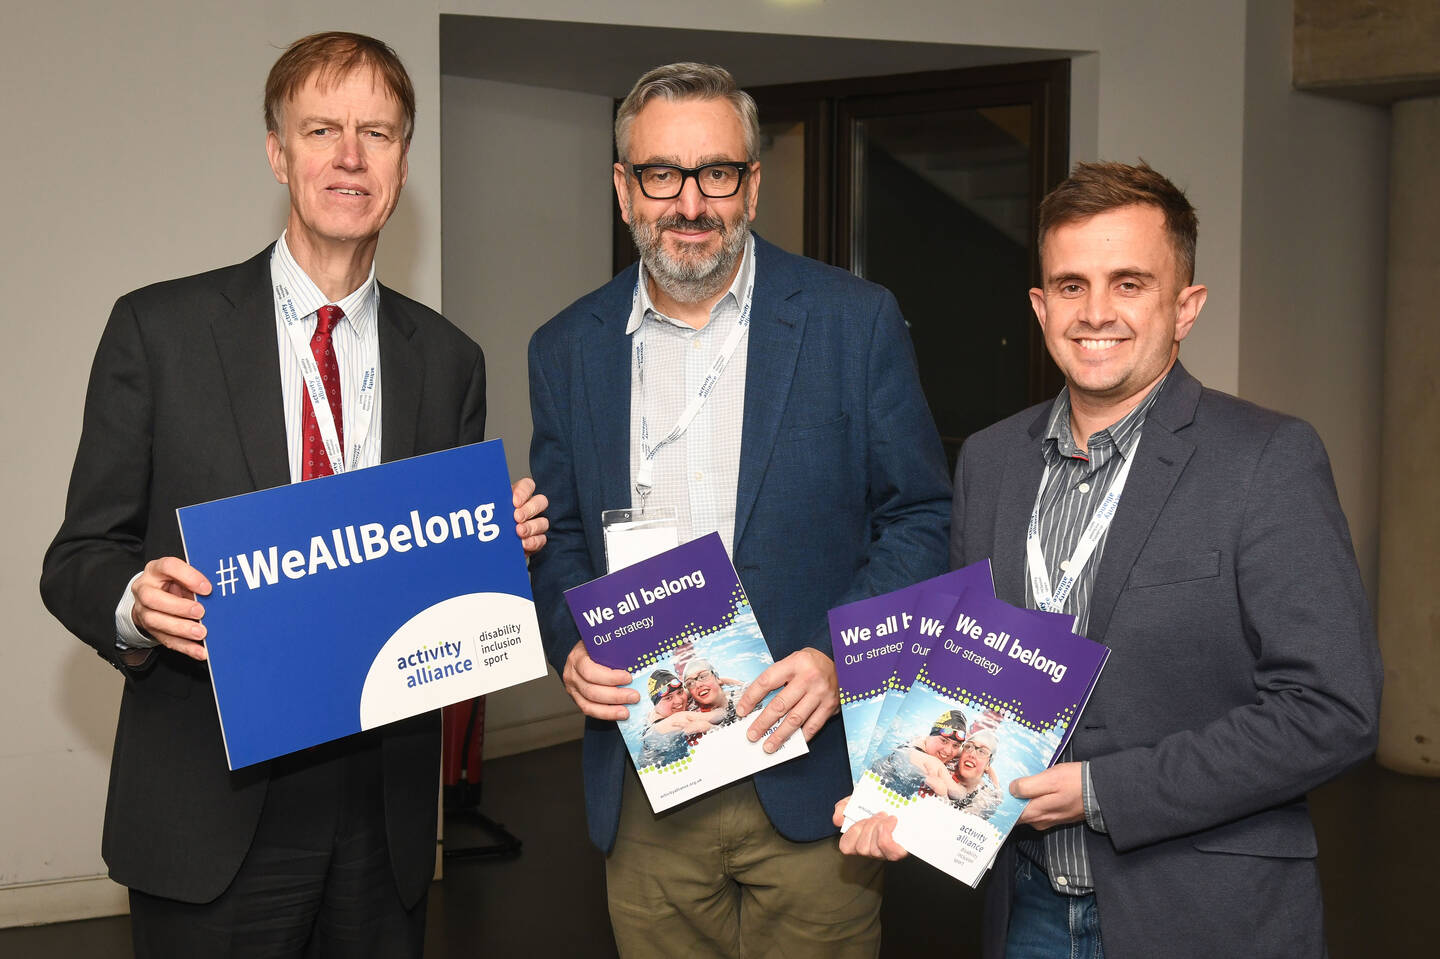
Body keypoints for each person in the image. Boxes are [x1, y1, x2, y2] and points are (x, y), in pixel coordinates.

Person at [39, 32, 548, 958]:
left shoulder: (447, 361)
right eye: (322, 130)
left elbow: (425, 587)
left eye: (378, 134)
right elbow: (75, 558)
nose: (350, 156)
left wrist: (494, 549)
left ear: (401, 162)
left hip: (381, 820)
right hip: (210, 810)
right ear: (278, 153)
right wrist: (134, 605)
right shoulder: (159, 331)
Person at [838, 161, 1382, 959]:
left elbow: (1334, 708)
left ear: (1185, 306)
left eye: (1129, 283)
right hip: (1022, 909)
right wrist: (904, 800)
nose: (1096, 313)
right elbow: (963, 677)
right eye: (1070, 285)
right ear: (1039, 306)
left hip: (1201, 912)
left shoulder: (1266, 459)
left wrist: (1101, 792)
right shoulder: (989, 463)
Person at [527, 61, 950, 958]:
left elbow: (917, 514)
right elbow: (557, 534)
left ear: (752, 186)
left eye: (717, 172)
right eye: (661, 175)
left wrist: (842, 660)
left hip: (808, 770)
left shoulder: (854, 320)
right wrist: (570, 646)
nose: (690, 202)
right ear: (623, 189)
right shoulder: (566, 348)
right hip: (650, 776)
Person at [872, 710, 967, 799]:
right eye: (944, 741)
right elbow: (959, 795)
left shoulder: (921, 741)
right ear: (930, 736)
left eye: (955, 746)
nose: (948, 751)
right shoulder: (932, 762)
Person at [949, 730, 1002, 821]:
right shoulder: (946, 765)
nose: (972, 754)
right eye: (969, 747)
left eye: (982, 752)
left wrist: (997, 788)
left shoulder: (985, 798)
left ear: (988, 765)